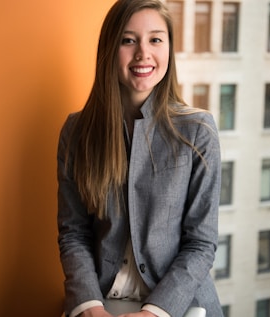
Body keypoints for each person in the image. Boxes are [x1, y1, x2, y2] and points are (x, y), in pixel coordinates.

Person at [57, 0, 223, 316]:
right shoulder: (76, 131)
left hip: (179, 305)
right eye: (128, 40)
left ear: (169, 49)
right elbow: (74, 233)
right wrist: (90, 306)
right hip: (100, 300)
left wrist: (154, 312)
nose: (143, 53)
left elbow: (200, 244)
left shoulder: (198, 130)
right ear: (110, 48)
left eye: (155, 39)